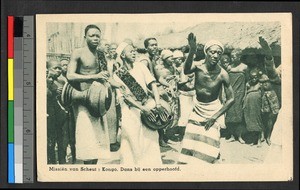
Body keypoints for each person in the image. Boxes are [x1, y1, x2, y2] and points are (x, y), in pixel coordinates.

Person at [178, 33, 235, 164]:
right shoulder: (198, 67)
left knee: (211, 144)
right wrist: (192, 50)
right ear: (206, 52)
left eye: (219, 53)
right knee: (190, 143)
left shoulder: (223, 74)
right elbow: (186, 70)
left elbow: (231, 99)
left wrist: (215, 116)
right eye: (213, 52)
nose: (216, 55)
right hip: (197, 109)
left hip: (213, 110)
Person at [113, 42, 164, 165]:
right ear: (123, 55)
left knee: (151, 138)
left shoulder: (141, 67)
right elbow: (125, 97)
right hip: (130, 111)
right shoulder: (118, 74)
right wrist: (142, 108)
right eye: (130, 51)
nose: (134, 53)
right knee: (132, 139)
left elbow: (153, 84)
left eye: (134, 51)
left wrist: (157, 104)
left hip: (147, 105)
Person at [67, 25, 111, 164]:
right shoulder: (78, 52)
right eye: (92, 35)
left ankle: (94, 170)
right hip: (82, 100)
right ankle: (87, 171)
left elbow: (106, 76)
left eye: (98, 36)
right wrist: (94, 76)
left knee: (98, 139)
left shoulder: (101, 54)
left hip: (98, 100)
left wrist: (116, 84)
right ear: (85, 37)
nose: (95, 38)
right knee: (86, 138)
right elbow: (70, 75)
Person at [154, 49, 180, 146]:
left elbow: (176, 75)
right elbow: (160, 79)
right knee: (164, 114)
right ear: (164, 58)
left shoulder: (172, 67)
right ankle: (161, 138)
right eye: (170, 57)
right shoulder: (158, 68)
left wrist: (176, 78)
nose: (172, 59)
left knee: (173, 115)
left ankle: (167, 136)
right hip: (164, 93)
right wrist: (168, 86)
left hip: (173, 92)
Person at [46, 59, 68, 164]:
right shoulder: (45, 81)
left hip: (61, 115)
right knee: (51, 139)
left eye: (59, 68)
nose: (58, 70)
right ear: (48, 69)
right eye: (55, 68)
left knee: (62, 139)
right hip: (50, 116)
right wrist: (53, 91)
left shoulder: (62, 81)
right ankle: (52, 162)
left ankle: (62, 160)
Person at [224, 49, 248, 144]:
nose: (233, 58)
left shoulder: (244, 67)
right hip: (230, 93)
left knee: (239, 116)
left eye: (235, 56)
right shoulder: (229, 67)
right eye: (232, 57)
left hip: (240, 93)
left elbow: (247, 81)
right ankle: (231, 136)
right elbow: (226, 81)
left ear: (239, 56)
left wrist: (245, 94)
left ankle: (240, 136)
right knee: (230, 116)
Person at [174, 50, 195, 142]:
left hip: (194, 93)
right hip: (183, 94)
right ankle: (182, 135)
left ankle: (191, 135)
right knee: (183, 115)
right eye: (186, 57)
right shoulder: (179, 68)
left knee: (193, 115)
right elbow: (177, 82)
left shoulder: (198, 67)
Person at [243, 68, 264, 147]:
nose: (254, 79)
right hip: (248, 105)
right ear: (250, 77)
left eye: (256, 77)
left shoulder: (260, 84)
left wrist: (262, 106)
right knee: (250, 122)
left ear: (258, 77)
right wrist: (244, 104)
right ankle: (254, 140)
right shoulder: (248, 84)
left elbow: (263, 96)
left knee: (257, 121)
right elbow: (245, 94)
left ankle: (259, 140)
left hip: (256, 105)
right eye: (252, 77)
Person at [260, 74, 280, 146]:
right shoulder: (261, 81)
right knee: (262, 118)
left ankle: (268, 136)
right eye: (263, 82)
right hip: (263, 99)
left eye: (267, 81)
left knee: (270, 119)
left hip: (272, 98)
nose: (265, 83)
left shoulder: (273, 78)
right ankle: (262, 135)